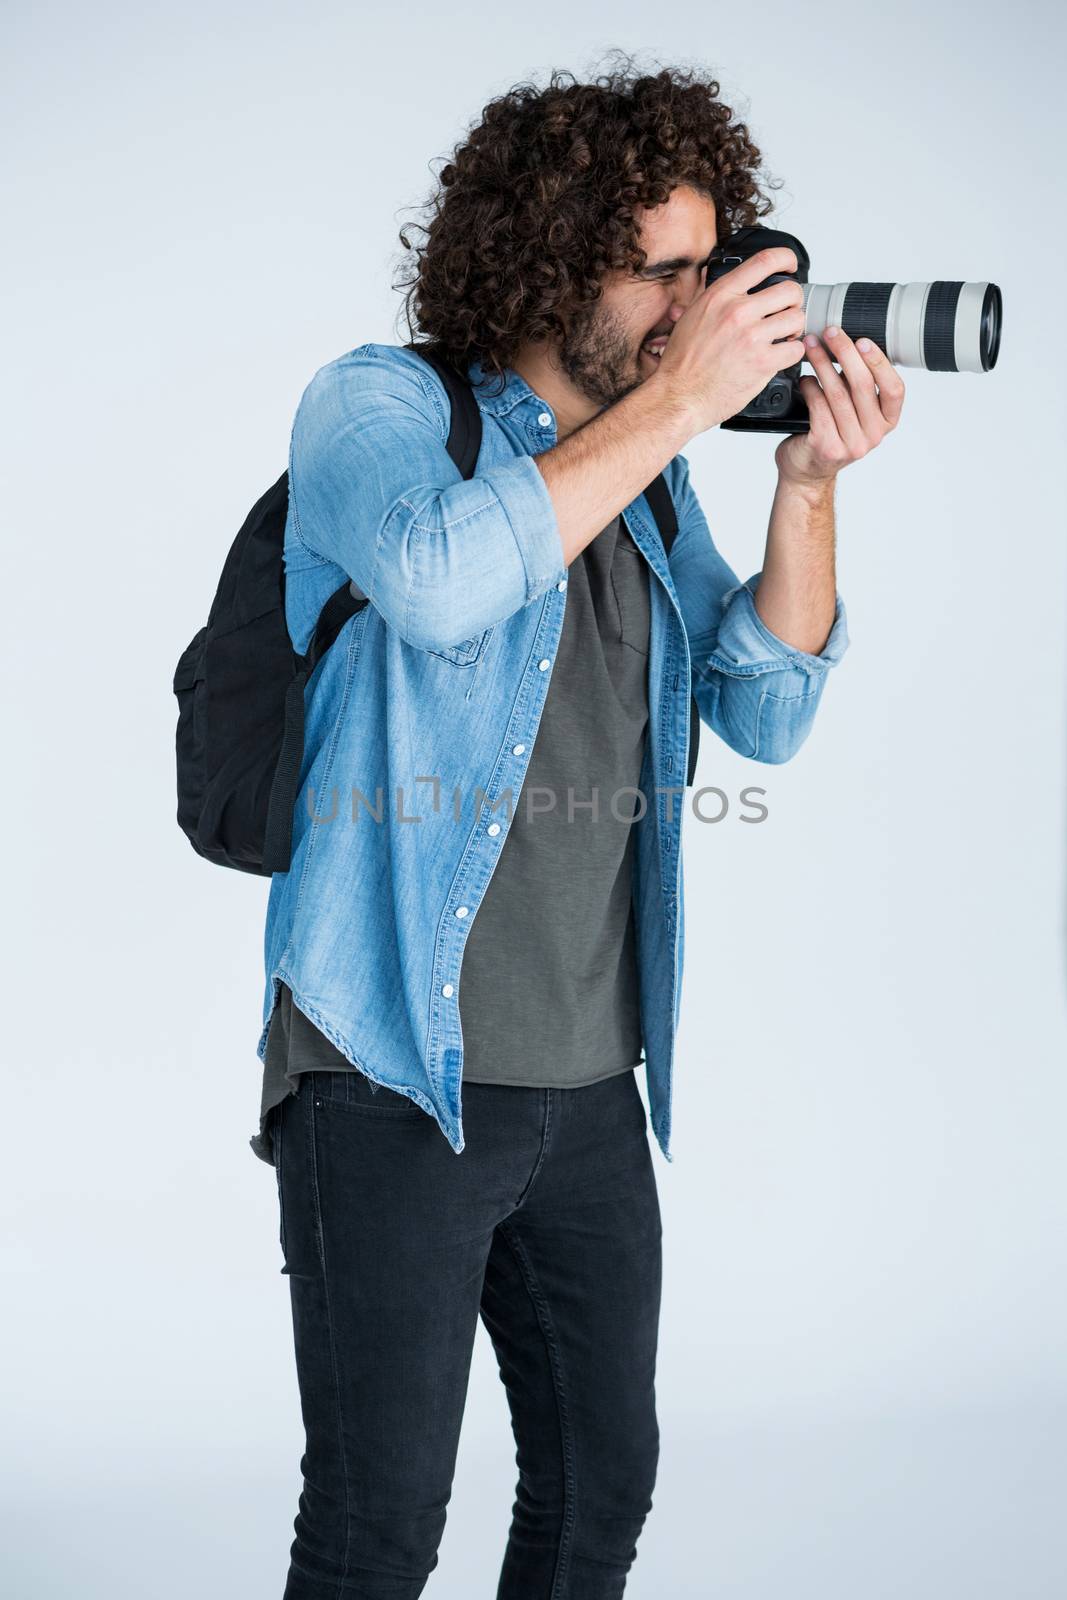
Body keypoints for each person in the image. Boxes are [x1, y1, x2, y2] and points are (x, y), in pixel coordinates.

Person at [250, 60, 905, 1600]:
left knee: (601, 1492)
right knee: (374, 1527)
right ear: (546, 258)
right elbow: (438, 577)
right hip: (387, 1075)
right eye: (661, 271)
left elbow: (768, 713)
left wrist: (803, 482)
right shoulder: (381, 407)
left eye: (710, 266)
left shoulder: (660, 490)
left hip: (589, 1093)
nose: (697, 308)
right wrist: (683, 404)